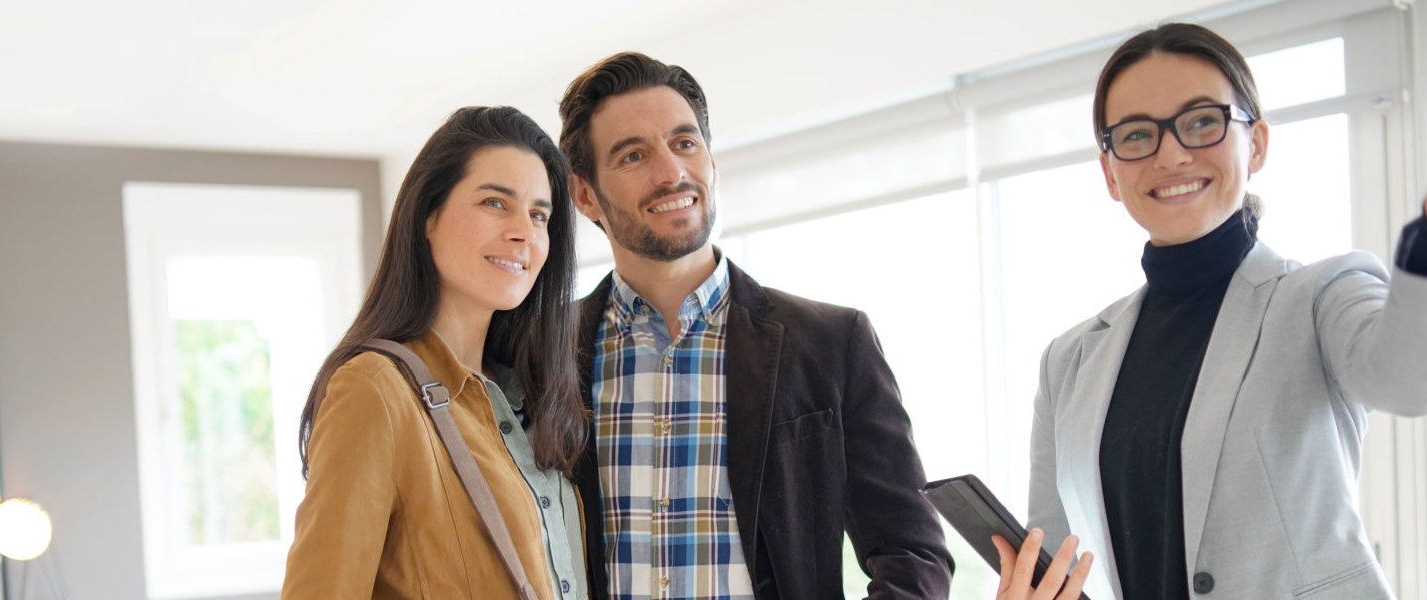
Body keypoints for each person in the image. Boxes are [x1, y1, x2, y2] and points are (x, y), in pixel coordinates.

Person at [1026, 23, 1427, 599]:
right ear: (1111, 172)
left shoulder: (1321, 295)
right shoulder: (1068, 363)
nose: (1172, 152)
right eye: (1137, 135)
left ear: (1257, 143)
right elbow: (1054, 561)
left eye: (1201, 122)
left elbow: (1409, 380)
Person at [556, 52, 953, 599]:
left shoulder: (832, 342)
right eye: (632, 155)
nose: (671, 171)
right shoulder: (541, 354)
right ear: (584, 195)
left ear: (712, 162)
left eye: (685, 143)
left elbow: (912, 553)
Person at [283, 106, 592, 599]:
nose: (524, 232)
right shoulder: (375, 390)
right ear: (429, 214)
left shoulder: (530, 397)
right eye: (495, 202)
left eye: (539, 215)